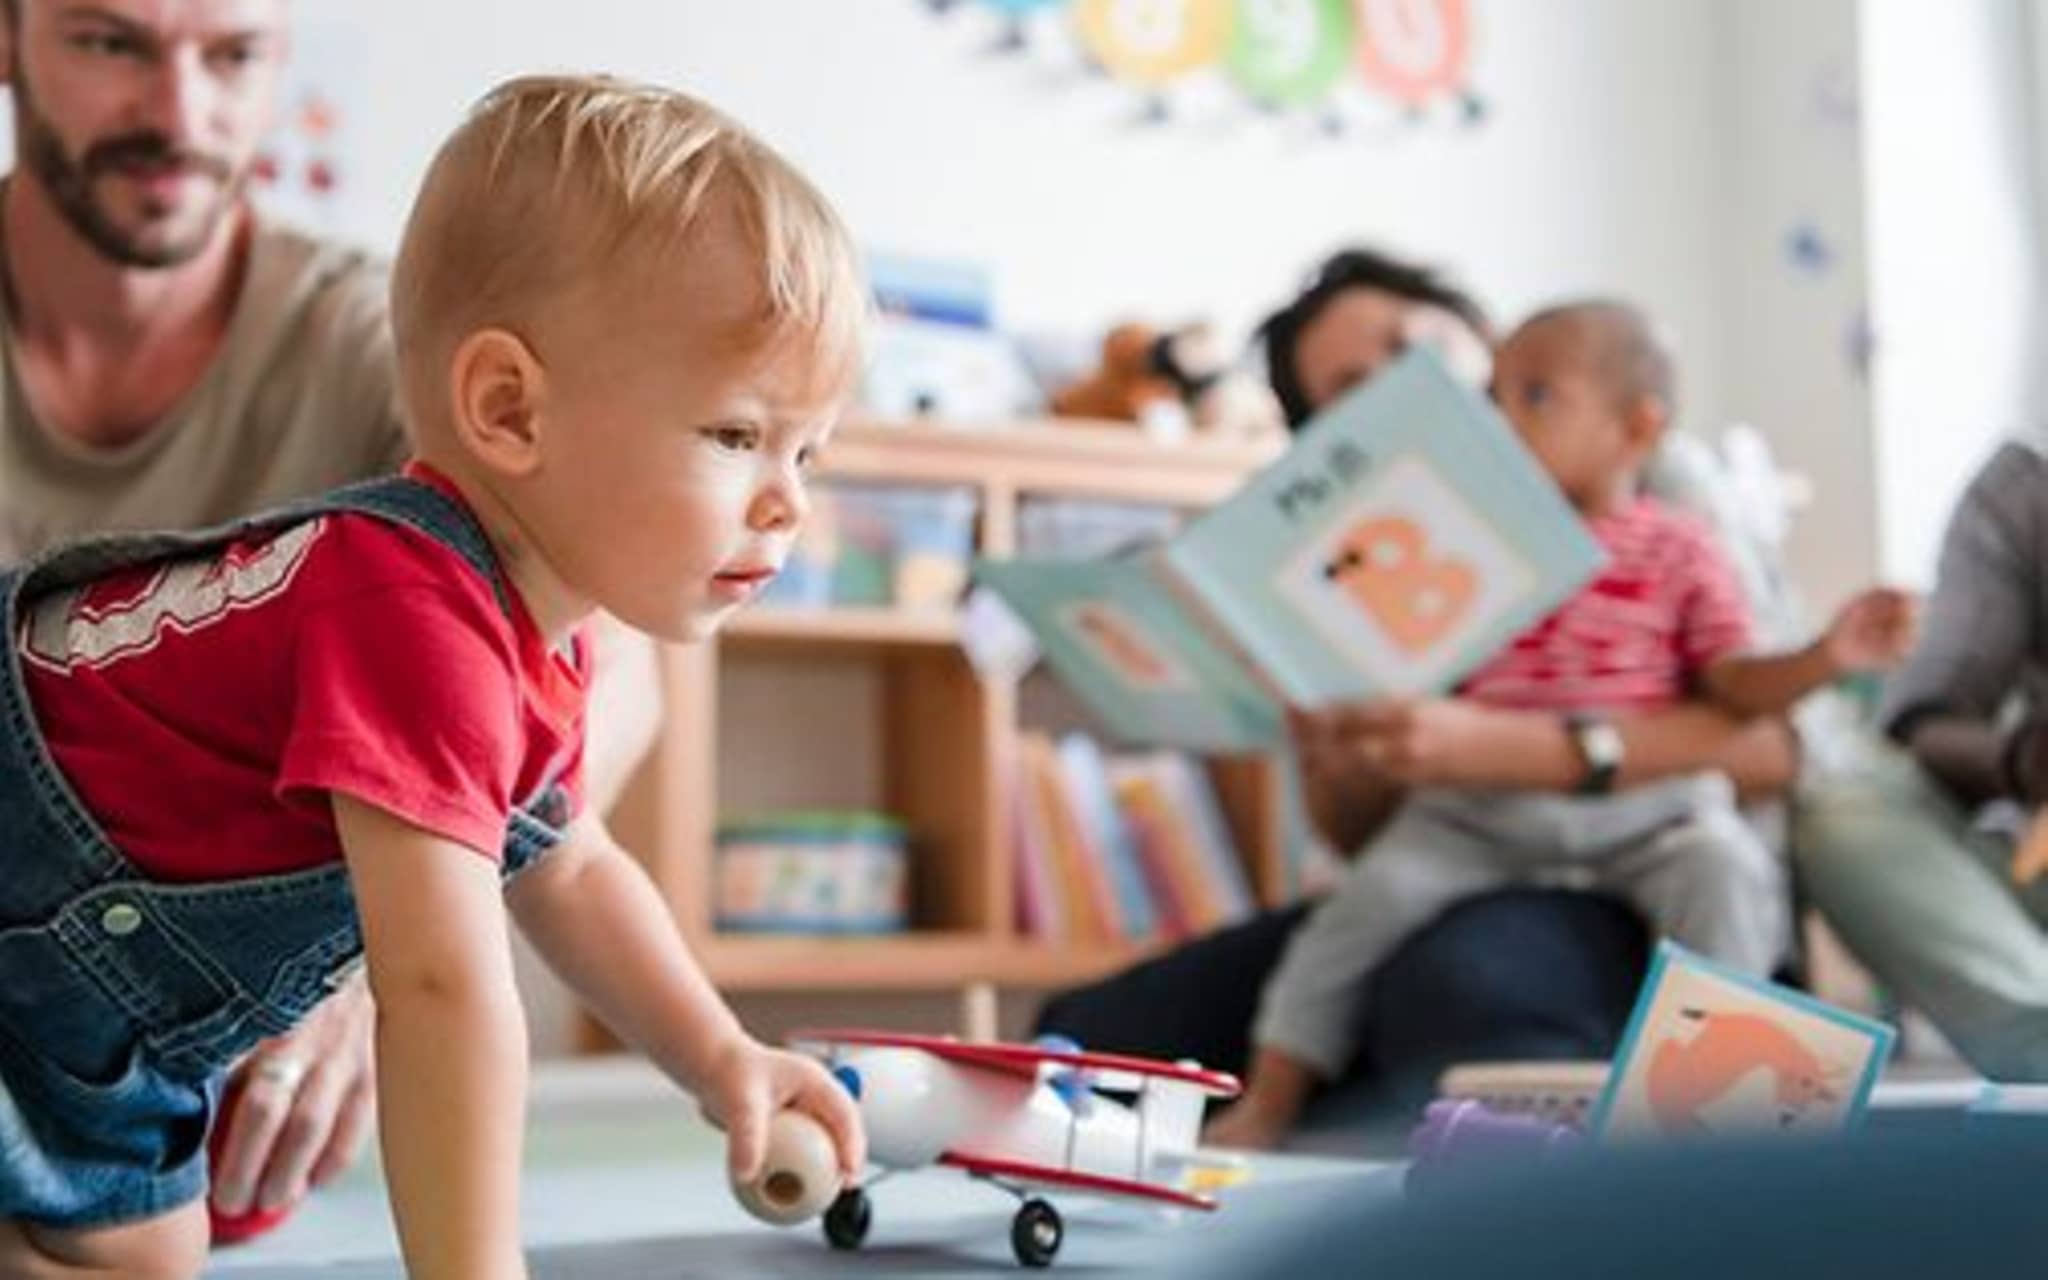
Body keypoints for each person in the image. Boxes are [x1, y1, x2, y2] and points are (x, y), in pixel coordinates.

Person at [0, 74, 868, 1278]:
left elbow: (567, 864)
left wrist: (721, 1058)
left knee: (141, 1253)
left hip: (89, 991)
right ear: (509, 408)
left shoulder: (532, 638)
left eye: (806, 449)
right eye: (734, 435)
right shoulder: (409, 614)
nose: (789, 501)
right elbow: (442, 989)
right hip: (34, 891)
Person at [1036, 250, 1803, 1129]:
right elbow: (1364, 838)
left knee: (1457, 994)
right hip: (1462, 843)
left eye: (1412, 345)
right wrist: (1341, 752)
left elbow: (1776, 745)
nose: (1401, 385)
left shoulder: (1651, 482)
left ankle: (1628, 1149)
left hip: (1649, 851)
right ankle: (1326, 1115)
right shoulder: (1359, 543)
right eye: (1349, 387)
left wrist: (1526, 751)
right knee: (1087, 1032)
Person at [1209, 301, 1914, 1148]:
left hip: (1648, 812)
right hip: (1476, 814)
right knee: (1353, 915)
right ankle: (1270, 1100)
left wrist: (1823, 658)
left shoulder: (1681, 546)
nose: (1503, 421)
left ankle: (1726, 1127)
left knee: (1725, 872)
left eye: (1535, 397)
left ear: (1636, 427)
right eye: (1497, 396)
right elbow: (1413, 675)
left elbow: (1737, 688)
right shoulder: (1471, 544)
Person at [0, 0, 404, 1235]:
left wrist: (386, 947)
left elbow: (596, 669)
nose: (178, 117)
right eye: (110, 43)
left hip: (211, 1092)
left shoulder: (380, 340)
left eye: (232, 56)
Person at [1795, 436, 2048, 1080]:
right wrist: (2025, 760)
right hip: (2032, 853)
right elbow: (1924, 721)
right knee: (1849, 803)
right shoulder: (2021, 493)